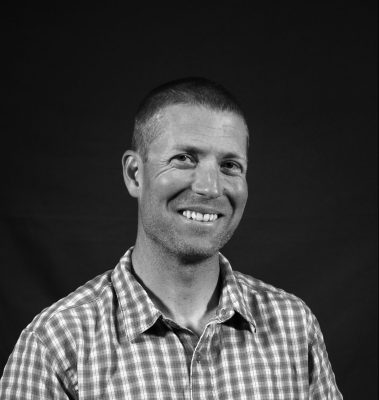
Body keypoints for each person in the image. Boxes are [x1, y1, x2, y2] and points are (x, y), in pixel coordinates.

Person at [0, 77, 343, 399]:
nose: (210, 187)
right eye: (184, 158)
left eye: (230, 166)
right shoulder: (56, 344)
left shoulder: (294, 326)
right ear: (135, 174)